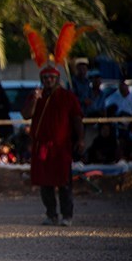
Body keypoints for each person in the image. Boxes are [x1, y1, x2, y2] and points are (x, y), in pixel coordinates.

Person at [21, 65, 84, 227]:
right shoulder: (36, 96)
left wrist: (81, 140)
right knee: (45, 182)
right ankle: (51, 214)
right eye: (45, 78)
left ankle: (67, 215)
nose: (48, 80)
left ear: (57, 79)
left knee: (64, 182)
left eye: (51, 77)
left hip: (61, 147)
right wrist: (35, 100)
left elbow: (77, 119)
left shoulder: (67, 97)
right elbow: (26, 115)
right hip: (41, 146)